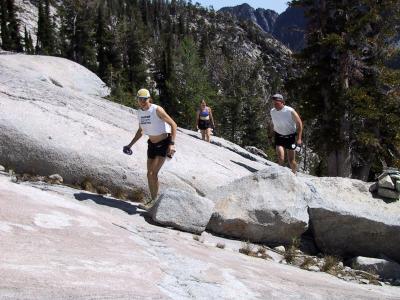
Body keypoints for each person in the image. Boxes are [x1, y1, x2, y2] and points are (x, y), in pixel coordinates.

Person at [124, 88, 177, 208]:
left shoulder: (156, 109)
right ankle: (153, 201)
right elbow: (141, 130)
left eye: (144, 99)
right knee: (149, 174)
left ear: (149, 99)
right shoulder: (140, 112)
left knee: (153, 173)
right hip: (151, 144)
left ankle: (154, 202)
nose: (142, 101)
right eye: (140, 99)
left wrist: (172, 143)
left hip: (163, 143)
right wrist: (130, 144)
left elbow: (173, 124)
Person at [270, 93, 303, 174]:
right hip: (278, 136)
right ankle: (280, 175)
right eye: (274, 103)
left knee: (291, 160)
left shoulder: (290, 111)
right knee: (280, 158)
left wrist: (299, 138)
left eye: (277, 103)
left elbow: (299, 123)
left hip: (290, 137)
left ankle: (294, 174)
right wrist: (270, 136)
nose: (275, 105)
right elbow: (272, 124)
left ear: (282, 102)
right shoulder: (272, 111)